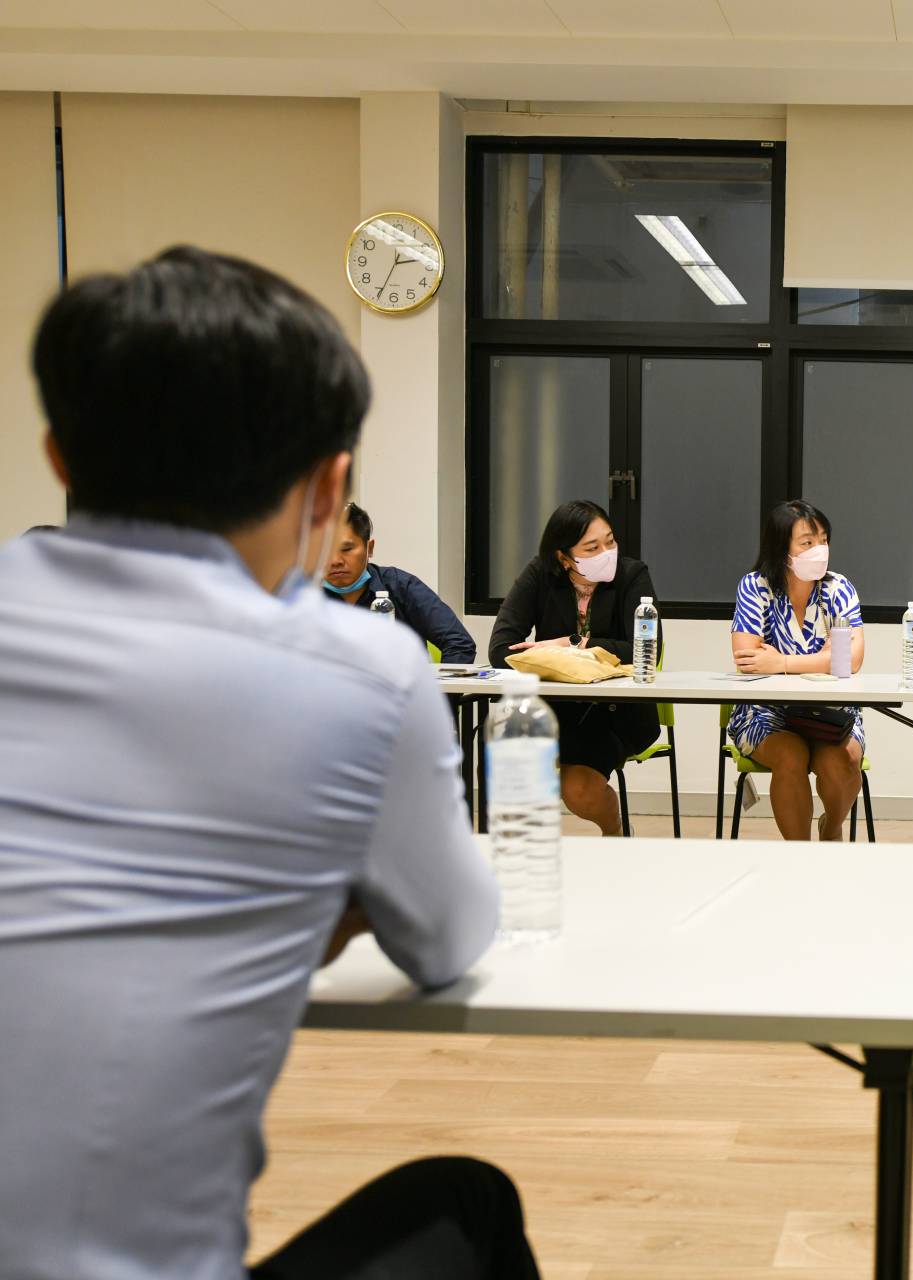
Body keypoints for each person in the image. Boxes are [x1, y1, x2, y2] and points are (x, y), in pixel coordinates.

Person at [0, 247, 536, 1278]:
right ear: (331, 485)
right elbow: (450, 936)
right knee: (467, 1203)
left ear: (59, 455)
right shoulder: (357, 673)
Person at [486, 499, 662, 837]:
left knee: (578, 790)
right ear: (563, 557)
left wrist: (570, 644)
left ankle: (617, 832)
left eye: (610, 541)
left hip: (615, 713)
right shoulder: (539, 575)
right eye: (592, 548)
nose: (606, 553)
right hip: (555, 710)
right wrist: (561, 656)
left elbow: (642, 652)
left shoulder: (632, 575)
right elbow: (501, 649)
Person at [728, 500, 866, 842]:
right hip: (765, 711)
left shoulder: (838, 588)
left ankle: (831, 828)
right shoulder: (756, 586)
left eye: (824, 540)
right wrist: (823, 659)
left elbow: (851, 660)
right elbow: (747, 658)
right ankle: (798, 854)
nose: (819, 550)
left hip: (831, 712)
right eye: (807, 542)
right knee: (791, 756)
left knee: (844, 759)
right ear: (781, 549)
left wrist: (782, 663)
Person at [324, 500, 477, 663]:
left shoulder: (400, 586)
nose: (335, 561)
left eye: (346, 549)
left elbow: (459, 644)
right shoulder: (307, 596)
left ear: (370, 548)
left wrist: (433, 681)